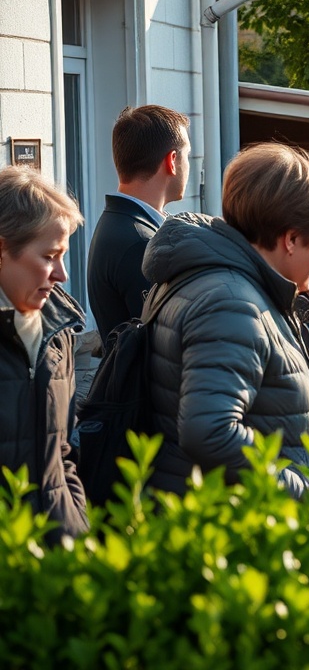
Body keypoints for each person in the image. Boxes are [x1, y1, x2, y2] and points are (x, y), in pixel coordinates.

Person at [141, 143, 309, 497]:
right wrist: (307, 490)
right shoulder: (232, 304)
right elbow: (211, 432)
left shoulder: (238, 288)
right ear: (291, 239)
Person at [0, 166, 89, 542]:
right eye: (50, 256)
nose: (62, 275)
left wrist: (78, 529)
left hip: (59, 558)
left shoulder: (59, 331)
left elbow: (64, 453)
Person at [88, 104, 191, 345]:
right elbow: (166, 342)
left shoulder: (120, 222)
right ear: (172, 161)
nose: (189, 164)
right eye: (187, 155)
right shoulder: (140, 242)